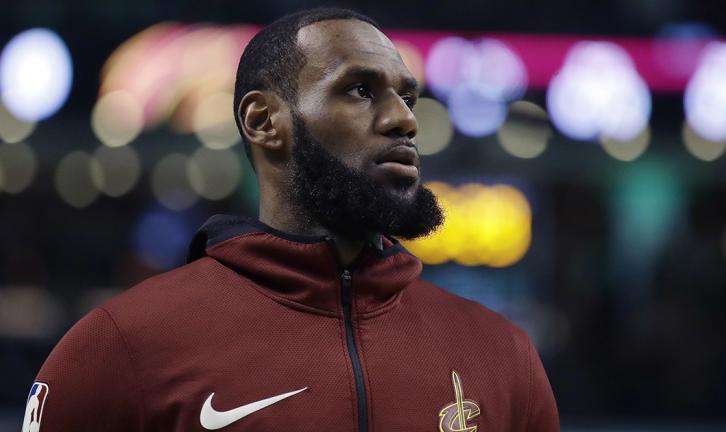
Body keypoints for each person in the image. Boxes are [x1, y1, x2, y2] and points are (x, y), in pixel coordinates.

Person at [24, 8, 559, 431]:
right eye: (359, 90)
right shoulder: (119, 346)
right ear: (263, 121)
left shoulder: (500, 354)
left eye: (407, 96)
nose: (403, 119)